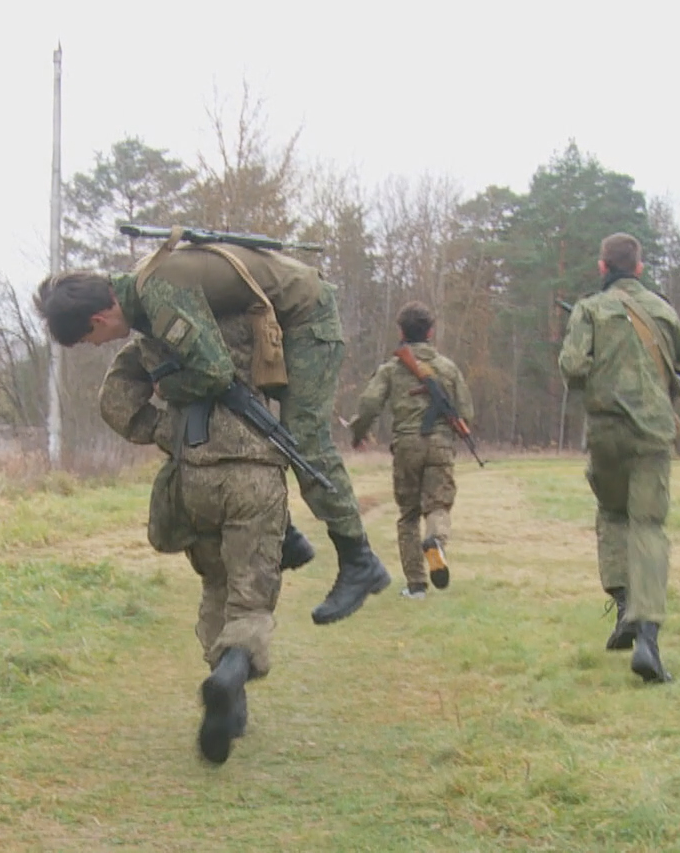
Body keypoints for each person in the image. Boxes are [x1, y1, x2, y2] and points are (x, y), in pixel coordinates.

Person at [36, 238, 392, 625]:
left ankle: (359, 560)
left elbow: (214, 372)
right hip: (279, 318)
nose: (95, 345)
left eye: (89, 339)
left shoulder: (156, 293)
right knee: (252, 421)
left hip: (307, 315)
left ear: (98, 320)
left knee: (303, 439)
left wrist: (166, 387)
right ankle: (287, 537)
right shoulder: (142, 296)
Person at [99, 315, 288, 764]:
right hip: (254, 475)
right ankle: (232, 672)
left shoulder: (162, 327)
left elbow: (114, 399)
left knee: (216, 584)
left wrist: (166, 430)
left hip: (193, 477)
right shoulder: (258, 319)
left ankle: (229, 694)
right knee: (251, 598)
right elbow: (295, 382)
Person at [558, 232, 680, 684]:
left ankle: (624, 611)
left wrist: (606, 374)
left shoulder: (588, 309)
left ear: (603, 267)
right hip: (654, 434)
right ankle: (648, 639)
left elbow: (572, 367)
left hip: (606, 433)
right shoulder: (663, 310)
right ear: (638, 269)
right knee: (649, 527)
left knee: (612, 514)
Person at [350, 301, 474, 599]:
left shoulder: (391, 370)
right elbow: (466, 411)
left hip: (406, 445)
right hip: (441, 445)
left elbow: (368, 404)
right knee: (438, 506)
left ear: (400, 331)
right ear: (431, 331)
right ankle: (436, 541)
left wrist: (359, 431)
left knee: (407, 515)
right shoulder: (448, 368)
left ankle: (416, 585)